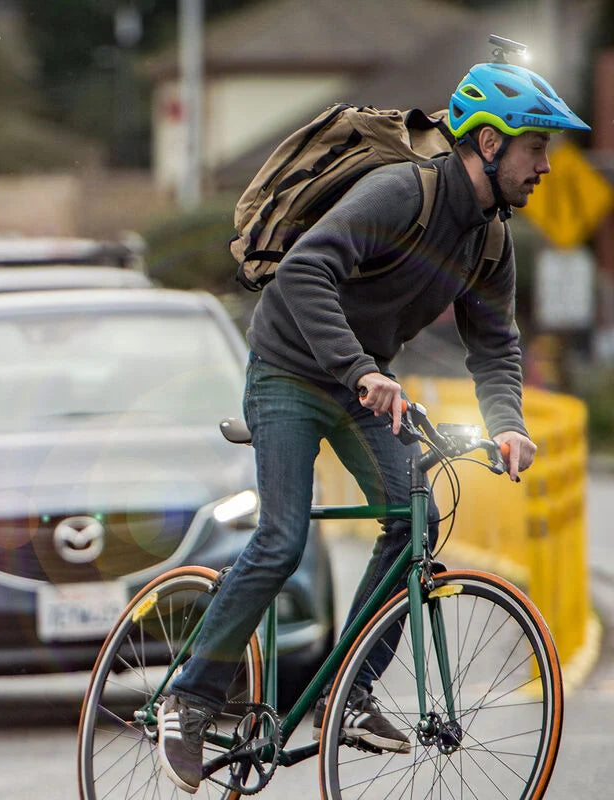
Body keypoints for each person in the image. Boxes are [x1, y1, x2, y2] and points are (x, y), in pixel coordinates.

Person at [157, 60, 590, 794]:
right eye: (535, 147)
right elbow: (303, 275)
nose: (545, 166)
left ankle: (345, 695)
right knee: (282, 537)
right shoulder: (400, 192)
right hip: (292, 371)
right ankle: (190, 697)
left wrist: (507, 422)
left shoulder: (490, 239)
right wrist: (360, 369)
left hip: (364, 385)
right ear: (488, 143)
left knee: (412, 528)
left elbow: (495, 343)